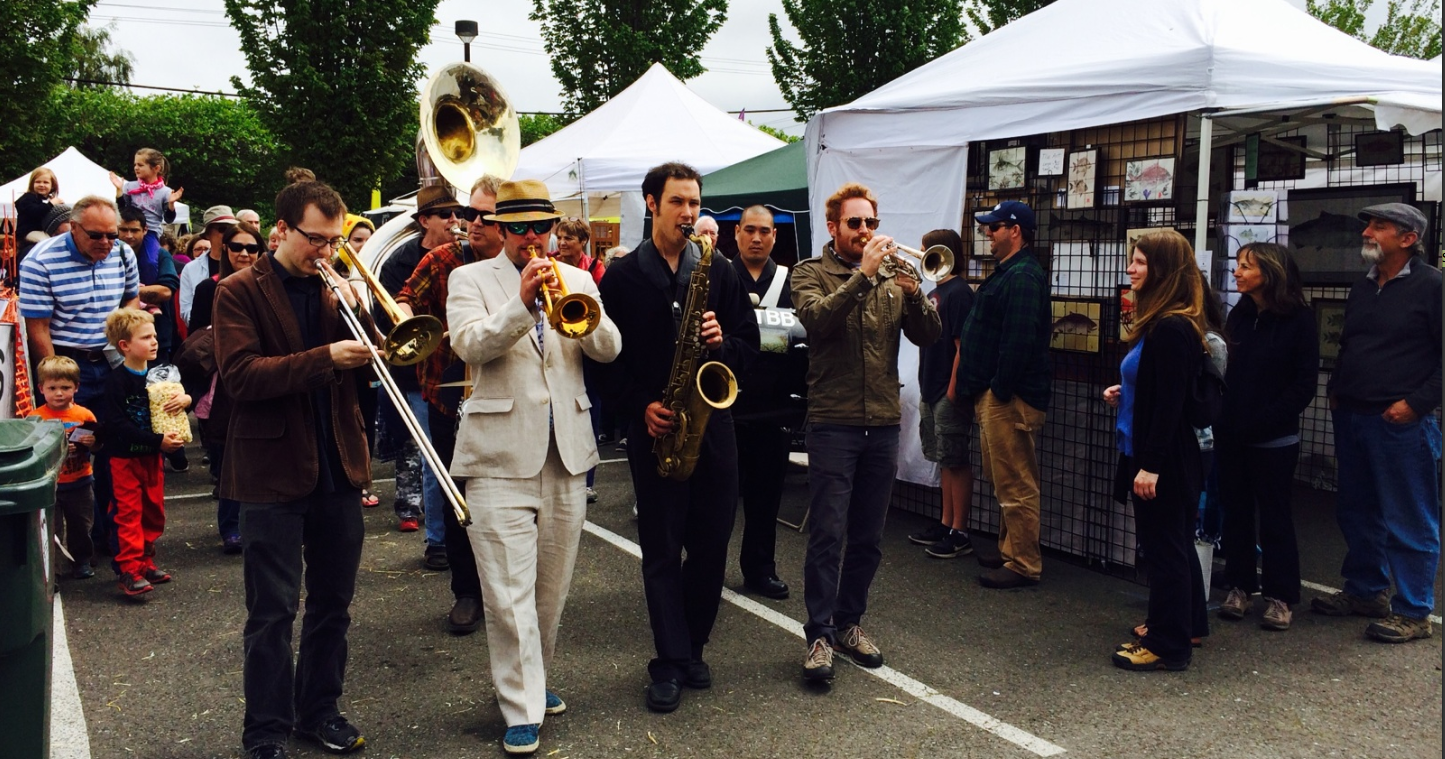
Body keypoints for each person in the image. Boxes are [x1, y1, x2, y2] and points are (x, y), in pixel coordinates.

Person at [447, 178, 621, 755]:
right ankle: (521, 704)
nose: (530, 238)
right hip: (498, 455)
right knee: (505, 591)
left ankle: (534, 677)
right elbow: (470, 345)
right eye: (518, 228)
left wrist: (586, 311)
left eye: (539, 227)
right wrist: (523, 303)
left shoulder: (576, 277)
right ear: (500, 229)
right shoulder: (468, 278)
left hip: (566, 452)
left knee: (551, 589)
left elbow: (611, 349)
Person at [213, 180, 373, 759]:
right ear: (281, 230)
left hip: (338, 465)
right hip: (271, 470)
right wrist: (323, 357)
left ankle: (319, 711)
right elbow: (242, 376)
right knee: (272, 611)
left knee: (334, 604)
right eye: (316, 240)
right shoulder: (237, 291)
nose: (327, 252)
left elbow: (379, 363)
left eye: (333, 241)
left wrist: (366, 315)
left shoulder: (334, 287)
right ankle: (266, 730)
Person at [597, 162, 759, 713]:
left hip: (713, 427)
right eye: (677, 203)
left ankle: (694, 645)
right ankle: (668, 659)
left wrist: (724, 342)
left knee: (712, 544)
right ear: (651, 204)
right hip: (656, 427)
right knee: (662, 550)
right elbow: (602, 362)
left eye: (694, 202)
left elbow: (750, 344)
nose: (689, 213)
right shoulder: (620, 279)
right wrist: (637, 407)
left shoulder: (718, 270)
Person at [791, 182, 940, 683]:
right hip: (834, 421)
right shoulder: (811, 273)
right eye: (855, 223)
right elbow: (817, 321)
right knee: (828, 533)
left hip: (882, 422)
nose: (866, 232)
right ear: (834, 227)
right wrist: (863, 277)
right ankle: (818, 635)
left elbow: (929, 336)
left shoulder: (894, 277)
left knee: (869, 537)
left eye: (871, 223)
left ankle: (850, 623)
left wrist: (916, 295)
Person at [1313, 203, 1441, 644]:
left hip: (1401, 423)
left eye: (1378, 227)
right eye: (1369, 224)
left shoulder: (1433, 286)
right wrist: (1336, 391)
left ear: (1408, 238)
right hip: (1353, 415)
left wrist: (1416, 404)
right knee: (1357, 510)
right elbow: (1350, 344)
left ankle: (1414, 610)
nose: (1367, 232)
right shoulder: (1363, 287)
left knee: (1409, 516)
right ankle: (1367, 591)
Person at [394, 174, 504, 633]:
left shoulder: (526, 264)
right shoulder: (442, 259)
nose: (469, 223)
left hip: (506, 401)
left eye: (483, 216)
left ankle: (505, 592)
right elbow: (404, 298)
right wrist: (405, 319)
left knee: (504, 504)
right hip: (446, 397)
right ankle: (467, 592)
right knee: (460, 501)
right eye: (466, 213)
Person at [1102, 230, 1210, 672]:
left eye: (1141, 262)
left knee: (1165, 551)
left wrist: (1150, 467)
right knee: (1176, 546)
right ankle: (1187, 624)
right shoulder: (1170, 321)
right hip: (1160, 454)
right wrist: (1125, 392)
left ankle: (1169, 645)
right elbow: (1162, 390)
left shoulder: (1169, 327)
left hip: (1161, 460)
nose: (1131, 268)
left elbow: (1169, 408)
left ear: (1162, 270)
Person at [19, 195, 142, 561]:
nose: (107, 242)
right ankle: (82, 538)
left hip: (113, 359)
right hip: (71, 361)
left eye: (112, 234)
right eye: (96, 236)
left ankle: (113, 534)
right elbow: (37, 327)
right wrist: (58, 376)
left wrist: (125, 343)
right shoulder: (40, 261)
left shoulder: (122, 253)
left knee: (116, 445)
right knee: (79, 448)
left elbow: (132, 299)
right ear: (73, 228)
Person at [1214, 242, 1317, 632]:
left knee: (1275, 516)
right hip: (1232, 434)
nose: (1237, 272)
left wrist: (1266, 420)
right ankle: (1240, 585)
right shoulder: (1240, 313)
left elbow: (1304, 384)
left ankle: (1281, 596)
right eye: (1238, 265)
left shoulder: (1299, 320)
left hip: (1273, 439)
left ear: (1270, 273)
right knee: (1235, 512)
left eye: (1246, 267)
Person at [955, 200, 1052, 589]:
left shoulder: (1023, 276)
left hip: (1008, 398)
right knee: (1004, 479)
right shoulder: (1013, 272)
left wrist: (999, 389)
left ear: (1015, 230)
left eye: (994, 227)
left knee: (1014, 482)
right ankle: (1012, 549)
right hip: (999, 395)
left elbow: (1020, 340)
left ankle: (1024, 563)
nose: (987, 233)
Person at [376, 185, 459, 546]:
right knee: (434, 458)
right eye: (446, 215)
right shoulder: (400, 262)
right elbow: (392, 313)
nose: (456, 221)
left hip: (464, 367)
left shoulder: (466, 256)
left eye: (458, 214)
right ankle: (438, 541)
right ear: (424, 220)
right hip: (419, 372)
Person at [100, 307, 190, 598]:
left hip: (152, 458)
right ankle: (128, 568)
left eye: (154, 336)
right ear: (124, 345)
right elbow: (116, 424)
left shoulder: (159, 374)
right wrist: (157, 441)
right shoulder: (117, 381)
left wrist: (185, 399)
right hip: (123, 459)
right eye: (146, 337)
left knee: (153, 511)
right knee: (128, 513)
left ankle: (145, 561)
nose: (154, 342)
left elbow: (181, 396)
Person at [185, 222, 263, 554]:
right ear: (225, 251)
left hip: (263, 375)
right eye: (236, 247)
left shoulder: (268, 285)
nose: (244, 253)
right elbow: (194, 338)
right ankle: (231, 526)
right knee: (230, 456)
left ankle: (257, 523)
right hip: (224, 379)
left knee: (260, 456)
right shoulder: (208, 287)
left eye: (251, 248)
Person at [729, 204, 792, 599]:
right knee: (716, 500)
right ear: (736, 233)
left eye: (764, 231)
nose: (757, 237)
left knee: (766, 498)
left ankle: (760, 569)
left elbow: (800, 333)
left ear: (774, 236)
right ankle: (704, 567)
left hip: (774, 404)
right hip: (726, 406)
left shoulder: (790, 279)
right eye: (749, 230)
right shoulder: (720, 273)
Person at [911, 229, 977, 559]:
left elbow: (962, 347)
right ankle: (946, 522)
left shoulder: (959, 293)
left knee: (955, 460)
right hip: (931, 386)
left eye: (926, 251)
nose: (920, 255)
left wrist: (952, 392)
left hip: (946, 392)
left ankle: (960, 530)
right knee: (943, 460)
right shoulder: (937, 291)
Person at [30, 355, 98, 579]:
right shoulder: (36, 418)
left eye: (65, 387)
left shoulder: (83, 415)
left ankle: (82, 560)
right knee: (52, 530)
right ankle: (54, 571)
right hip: (52, 484)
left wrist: (92, 443)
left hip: (80, 481)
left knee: (82, 525)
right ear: (41, 388)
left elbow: (98, 444)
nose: (59, 393)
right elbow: (33, 451)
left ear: (76, 387)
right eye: (52, 387)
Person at [109, 148, 182, 293]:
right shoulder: (130, 186)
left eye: (140, 165)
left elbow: (168, 218)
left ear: (156, 168)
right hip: (130, 227)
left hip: (151, 231)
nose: (136, 168)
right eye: (135, 164)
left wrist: (171, 205)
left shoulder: (165, 192)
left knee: (149, 262)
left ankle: (146, 292)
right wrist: (119, 192)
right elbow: (123, 210)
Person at [179, 205, 241, 323]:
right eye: (223, 229)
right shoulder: (191, 269)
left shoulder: (244, 262)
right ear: (208, 234)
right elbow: (185, 312)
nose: (229, 234)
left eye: (233, 229)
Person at [15, 166, 64, 261]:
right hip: (28, 232)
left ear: (52, 186)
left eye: (46, 182)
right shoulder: (27, 198)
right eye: (38, 182)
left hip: (44, 231)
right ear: (32, 184)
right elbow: (35, 212)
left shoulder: (48, 200)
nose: (41, 185)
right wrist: (51, 204)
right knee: (47, 242)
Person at [553, 217, 606, 284]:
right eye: (559, 238)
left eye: (568, 238)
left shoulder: (595, 266)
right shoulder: (549, 262)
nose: (562, 243)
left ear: (584, 240)